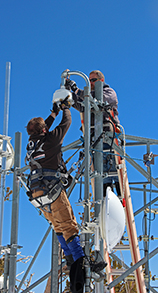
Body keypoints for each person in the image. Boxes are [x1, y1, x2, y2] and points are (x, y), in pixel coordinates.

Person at [25, 98, 86, 292]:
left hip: (37, 195)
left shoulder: (32, 143)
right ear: (44, 130)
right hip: (52, 190)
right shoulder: (50, 140)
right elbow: (66, 123)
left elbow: (44, 128)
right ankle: (79, 266)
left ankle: (71, 263)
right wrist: (66, 109)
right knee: (69, 226)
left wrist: (52, 113)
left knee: (58, 227)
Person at [65, 70, 121, 198]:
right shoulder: (89, 97)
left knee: (116, 173)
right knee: (101, 177)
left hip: (109, 139)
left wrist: (76, 90)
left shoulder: (109, 93)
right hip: (94, 141)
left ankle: (120, 202)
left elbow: (96, 98)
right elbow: (80, 104)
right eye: (89, 80)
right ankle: (106, 205)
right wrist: (68, 90)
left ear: (101, 80)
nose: (90, 83)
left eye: (93, 80)